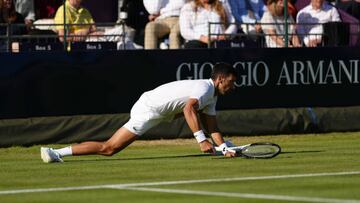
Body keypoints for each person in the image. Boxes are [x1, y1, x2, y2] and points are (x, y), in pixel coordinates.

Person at [40, 62, 238, 163]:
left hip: (157, 111)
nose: (233, 86)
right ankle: (55, 152)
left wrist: (223, 148)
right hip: (148, 109)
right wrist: (201, 140)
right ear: (220, 79)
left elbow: (213, 126)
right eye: (231, 81)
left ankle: (56, 152)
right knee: (110, 148)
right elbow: (188, 109)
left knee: (109, 148)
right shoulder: (204, 88)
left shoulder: (212, 96)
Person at [54, 0, 136, 49]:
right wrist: (83, 34)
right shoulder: (63, 10)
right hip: (78, 46)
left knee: (123, 34)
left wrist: (86, 31)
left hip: (94, 39)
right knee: (120, 37)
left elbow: (94, 29)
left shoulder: (85, 11)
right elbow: (62, 37)